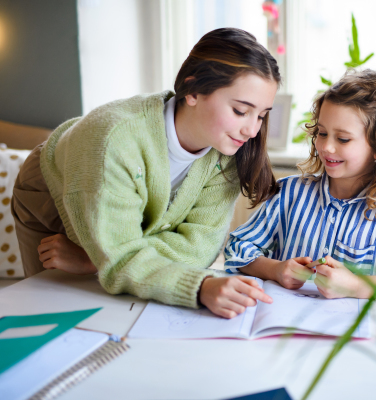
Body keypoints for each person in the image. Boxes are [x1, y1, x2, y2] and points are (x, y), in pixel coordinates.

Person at [11, 28, 279, 318]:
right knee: (50, 311)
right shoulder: (114, 139)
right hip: (59, 191)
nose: (252, 130)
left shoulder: (227, 151)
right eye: (241, 111)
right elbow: (123, 261)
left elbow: (200, 248)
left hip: (127, 215)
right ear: (193, 90)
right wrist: (197, 286)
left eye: (262, 115)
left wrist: (99, 259)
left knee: (125, 303)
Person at [224, 69, 376, 303]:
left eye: (343, 139)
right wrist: (274, 269)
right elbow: (237, 246)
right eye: (322, 133)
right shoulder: (289, 194)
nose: (326, 147)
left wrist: (357, 285)